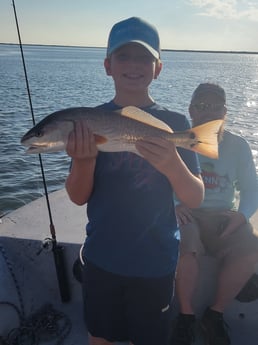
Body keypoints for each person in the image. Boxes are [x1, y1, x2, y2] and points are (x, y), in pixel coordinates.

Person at [65, 17, 204, 345]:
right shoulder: (88, 121)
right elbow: (77, 196)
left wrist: (172, 164)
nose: (133, 65)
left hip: (155, 262)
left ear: (158, 68)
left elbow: (195, 197)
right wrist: (84, 161)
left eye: (144, 57)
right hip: (102, 258)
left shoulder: (174, 123)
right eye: (123, 56)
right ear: (107, 65)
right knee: (100, 337)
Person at [171, 83, 258, 345]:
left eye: (215, 107)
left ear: (225, 112)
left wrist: (241, 217)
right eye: (201, 106)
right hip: (186, 213)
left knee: (251, 247)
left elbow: (251, 190)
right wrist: (172, 207)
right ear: (190, 111)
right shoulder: (177, 141)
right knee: (187, 248)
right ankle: (186, 317)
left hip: (223, 215)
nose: (208, 112)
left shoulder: (239, 146)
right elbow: (157, 181)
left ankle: (214, 314)